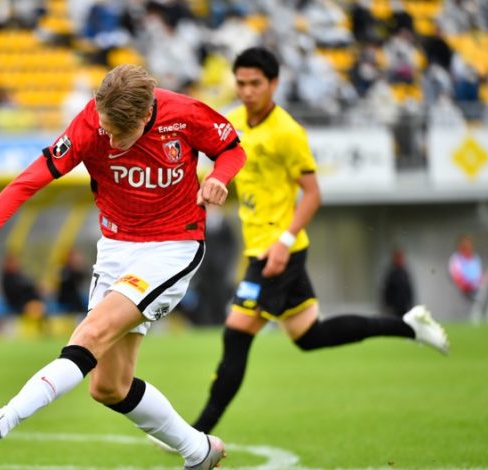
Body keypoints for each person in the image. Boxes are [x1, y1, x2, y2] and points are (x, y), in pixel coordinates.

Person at [0, 64, 246, 470]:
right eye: (104, 126)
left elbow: (230, 149)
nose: (108, 138)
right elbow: (29, 181)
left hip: (172, 246)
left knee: (89, 334)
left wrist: (219, 177)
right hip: (115, 250)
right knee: (108, 387)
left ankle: (2, 419)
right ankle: (199, 451)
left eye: (119, 132)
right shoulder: (90, 124)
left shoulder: (184, 114)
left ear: (147, 114)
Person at [190, 47, 449, 436]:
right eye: (240, 83)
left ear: (273, 83)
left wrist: (284, 241)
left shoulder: (288, 132)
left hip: (278, 248)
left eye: (255, 83)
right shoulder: (232, 123)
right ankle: (409, 325)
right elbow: (219, 169)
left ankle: (195, 435)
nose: (246, 91)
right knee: (309, 335)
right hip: (257, 244)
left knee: (236, 332)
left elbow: (311, 193)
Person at [381, 248, 414, 317]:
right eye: (398, 257)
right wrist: (387, 307)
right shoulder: (391, 274)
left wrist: (411, 306)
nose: (400, 260)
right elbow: (386, 292)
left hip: (404, 308)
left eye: (401, 257)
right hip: (393, 309)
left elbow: (409, 291)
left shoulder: (405, 273)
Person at [448, 234, 483, 299]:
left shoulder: (476, 258)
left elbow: (480, 277)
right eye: (465, 247)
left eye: (470, 246)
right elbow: (458, 279)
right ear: (461, 247)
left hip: (478, 290)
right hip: (466, 292)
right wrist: (471, 285)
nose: (469, 249)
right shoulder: (456, 259)